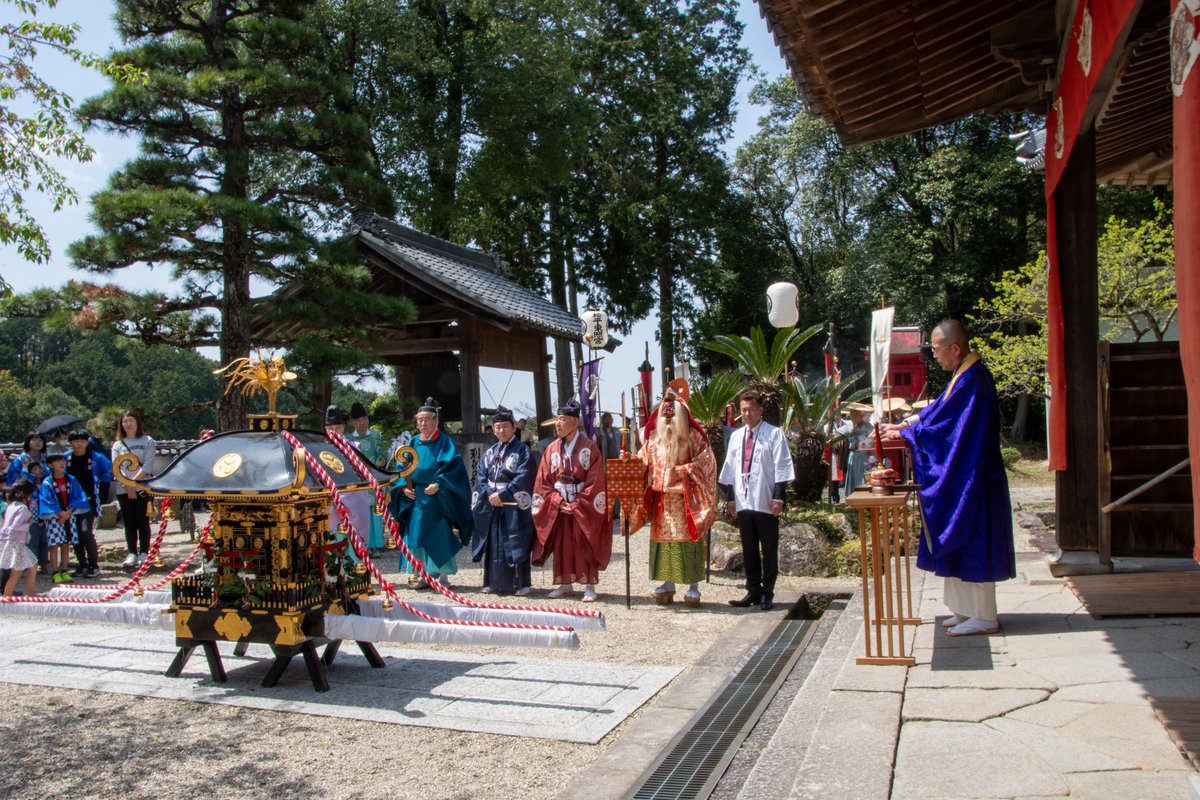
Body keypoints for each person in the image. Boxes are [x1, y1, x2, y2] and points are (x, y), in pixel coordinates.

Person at [882, 319, 1015, 637]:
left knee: (973, 539)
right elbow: (940, 409)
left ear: (955, 348)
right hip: (966, 475)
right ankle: (965, 609)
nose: (934, 356)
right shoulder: (963, 375)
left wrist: (912, 433)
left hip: (974, 477)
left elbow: (949, 430)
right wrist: (907, 425)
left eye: (937, 349)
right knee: (958, 540)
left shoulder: (974, 380)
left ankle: (983, 615)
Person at [629, 379, 717, 607]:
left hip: (687, 501)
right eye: (664, 418)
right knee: (664, 542)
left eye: (672, 418)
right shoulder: (652, 443)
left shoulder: (693, 439)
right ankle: (668, 583)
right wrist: (629, 463)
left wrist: (683, 472)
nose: (668, 421)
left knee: (688, 540)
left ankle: (693, 586)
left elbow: (706, 463)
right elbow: (642, 463)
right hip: (662, 503)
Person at [719, 389, 795, 611]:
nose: (747, 413)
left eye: (751, 409)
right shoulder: (735, 436)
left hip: (765, 497)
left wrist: (778, 497)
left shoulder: (774, 434)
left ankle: (767, 592)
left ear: (760, 410)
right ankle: (752, 590)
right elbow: (730, 469)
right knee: (748, 547)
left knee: (768, 548)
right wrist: (731, 498)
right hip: (743, 499)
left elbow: (782, 466)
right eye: (743, 409)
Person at [389, 398, 473, 588]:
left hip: (436, 496)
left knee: (439, 534)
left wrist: (439, 483)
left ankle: (443, 575)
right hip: (416, 496)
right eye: (419, 420)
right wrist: (403, 486)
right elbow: (400, 467)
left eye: (427, 419)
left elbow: (453, 466)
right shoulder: (413, 442)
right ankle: (422, 574)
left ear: (436, 421)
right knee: (417, 535)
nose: (423, 423)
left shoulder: (444, 441)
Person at [531, 398, 610, 601]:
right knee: (562, 544)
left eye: (562, 419)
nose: (557, 424)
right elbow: (543, 480)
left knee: (584, 542)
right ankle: (565, 583)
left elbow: (595, 482)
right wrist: (556, 501)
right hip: (559, 503)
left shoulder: (589, 447)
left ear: (574, 422)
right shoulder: (551, 448)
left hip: (581, 503)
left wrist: (576, 504)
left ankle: (589, 585)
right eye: (557, 420)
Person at [470, 406, 535, 595]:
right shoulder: (491, 452)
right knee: (493, 541)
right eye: (497, 427)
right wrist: (490, 492)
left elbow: (524, 476)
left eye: (505, 426)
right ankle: (493, 581)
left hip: (512, 504)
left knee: (515, 540)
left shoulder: (523, 450)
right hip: (492, 502)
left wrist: (504, 495)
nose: (501, 430)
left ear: (514, 427)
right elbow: (481, 474)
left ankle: (520, 583)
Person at [111, 409, 157, 567]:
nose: (128, 424)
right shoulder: (118, 444)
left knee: (143, 521)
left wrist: (134, 484)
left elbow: (148, 466)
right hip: (123, 488)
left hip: (143, 487)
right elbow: (117, 468)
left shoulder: (148, 441)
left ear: (138, 422)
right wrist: (127, 485)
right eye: (125, 421)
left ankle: (145, 552)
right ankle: (132, 552)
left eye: (131, 420)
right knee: (128, 521)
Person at [65, 430, 111, 578]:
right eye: (76, 441)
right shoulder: (66, 458)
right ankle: (81, 564)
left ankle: (94, 564)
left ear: (87, 442)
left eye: (83, 441)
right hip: (70, 502)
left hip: (89, 500)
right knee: (74, 533)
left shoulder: (96, 457)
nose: (79, 444)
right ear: (71, 442)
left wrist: (100, 479)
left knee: (85, 531)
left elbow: (111, 470)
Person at [38, 453, 90, 583]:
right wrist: (60, 514)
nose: (62, 463)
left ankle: (65, 570)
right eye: (57, 461)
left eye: (63, 460)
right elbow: (46, 500)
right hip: (53, 517)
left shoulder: (71, 479)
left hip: (69, 515)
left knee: (66, 543)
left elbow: (78, 496)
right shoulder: (47, 482)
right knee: (54, 545)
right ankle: (55, 572)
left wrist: (68, 513)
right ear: (50, 465)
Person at [347, 402, 386, 553]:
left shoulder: (376, 436)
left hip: (374, 479)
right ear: (353, 423)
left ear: (368, 420)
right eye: (357, 420)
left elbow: (383, 456)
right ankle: (362, 544)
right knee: (359, 512)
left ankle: (376, 544)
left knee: (375, 512)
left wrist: (372, 468)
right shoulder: (348, 438)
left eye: (363, 419)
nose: (361, 423)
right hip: (357, 481)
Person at [0, 479, 39, 597]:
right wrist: (29, 523)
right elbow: (15, 526)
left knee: (32, 566)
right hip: (15, 543)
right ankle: (7, 598)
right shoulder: (22, 508)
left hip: (10, 541)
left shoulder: (11, 506)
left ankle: (31, 594)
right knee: (17, 572)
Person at [837, 403, 874, 496]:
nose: (854, 416)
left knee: (863, 477)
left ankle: (864, 498)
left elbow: (870, 441)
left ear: (861, 415)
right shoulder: (849, 426)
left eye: (857, 414)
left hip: (864, 457)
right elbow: (837, 434)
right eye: (852, 414)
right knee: (853, 476)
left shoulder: (868, 426)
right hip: (852, 456)